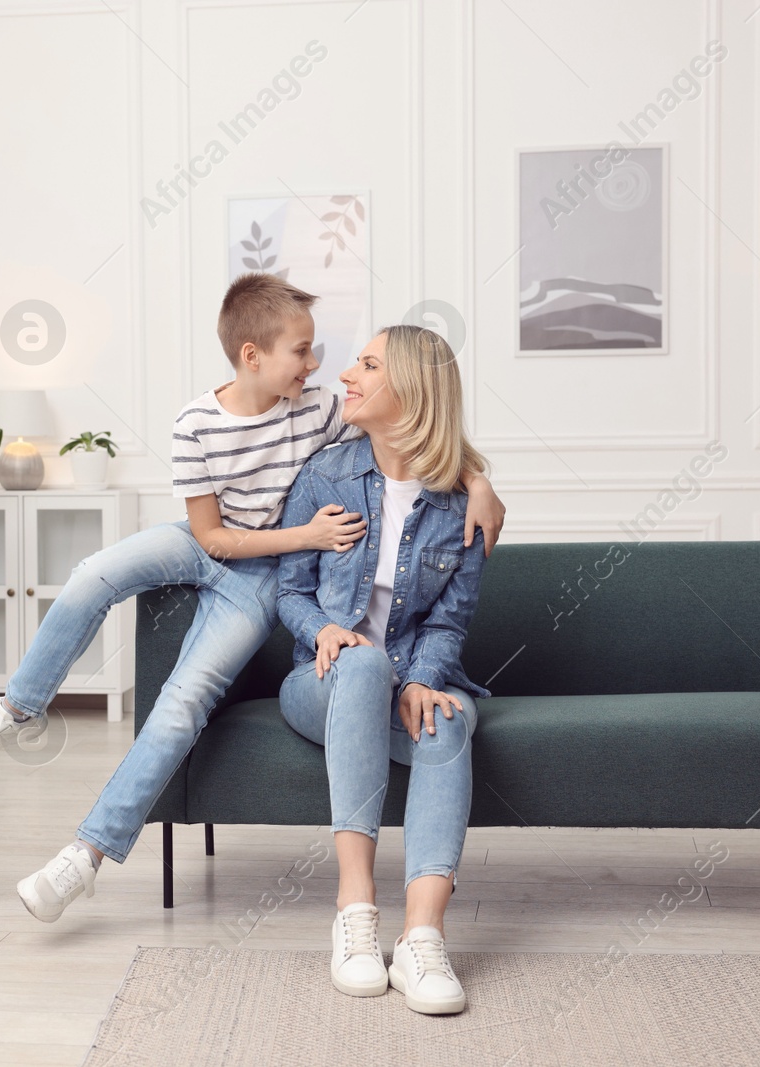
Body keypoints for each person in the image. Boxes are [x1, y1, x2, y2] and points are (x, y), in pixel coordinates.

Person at [0, 274, 506, 923]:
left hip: (259, 577)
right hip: (209, 541)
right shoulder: (196, 422)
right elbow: (209, 535)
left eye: (332, 355)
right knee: (93, 571)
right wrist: (310, 534)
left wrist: (476, 478)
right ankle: (15, 706)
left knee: (182, 702)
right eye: (303, 351)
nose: (321, 366)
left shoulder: (321, 409)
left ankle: (85, 853)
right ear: (251, 355)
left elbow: (415, 430)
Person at [275, 324, 490, 1015]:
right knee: (365, 668)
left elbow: (449, 622)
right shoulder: (325, 474)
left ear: (412, 390)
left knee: (447, 721)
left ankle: (423, 936)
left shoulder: (463, 502)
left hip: (412, 679)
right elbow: (289, 590)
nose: (346, 375)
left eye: (368, 365)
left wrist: (426, 678)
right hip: (323, 681)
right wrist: (327, 631)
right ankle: (355, 912)